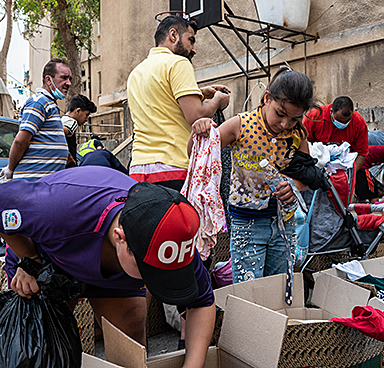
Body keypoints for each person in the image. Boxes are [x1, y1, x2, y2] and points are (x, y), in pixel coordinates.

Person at [0, 167, 215, 367]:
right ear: (120, 237)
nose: (155, 281)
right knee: (39, 348)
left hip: (112, 274)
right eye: (150, 272)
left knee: (131, 335)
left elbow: (202, 301)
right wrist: (29, 258)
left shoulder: (171, 241)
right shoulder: (58, 209)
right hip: (53, 258)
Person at [190, 67, 315, 284]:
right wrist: (198, 132)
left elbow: (307, 177)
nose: (285, 124)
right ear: (267, 98)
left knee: (278, 290)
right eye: (280, 114)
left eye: (294, 119)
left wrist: (292, 185)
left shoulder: (298, 134)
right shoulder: (241, 125)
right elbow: (198, 154)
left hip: (285, 225)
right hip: (247, 225)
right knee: (249, 292)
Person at [127, 15, 231, 191]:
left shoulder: (136, 73)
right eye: (191, 40)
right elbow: (196, 115)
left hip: (137, 171)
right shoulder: (178, 63)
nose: (194, 49)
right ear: (173, 35)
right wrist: (218, 100)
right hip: (174, 168)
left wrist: (199, 93)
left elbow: (163, 103)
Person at [1, 58, 71, 181]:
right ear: (49, 80)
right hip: (34, 182)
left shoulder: (50, 104)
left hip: (43, 181)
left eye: (70, 79)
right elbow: (20, 141)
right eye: (64, 78)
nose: (69, 83)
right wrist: (10, 169)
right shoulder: (38, 102)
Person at [302, 96, 368, 170]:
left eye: (346, 121)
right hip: (316, 163)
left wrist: (351, 175)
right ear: (331, 112)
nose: (343, 124)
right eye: (339, 121)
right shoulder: (314, 116)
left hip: (344, 165)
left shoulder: (359, 122)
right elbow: (303, 145)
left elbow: (361, 154)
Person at [62, 95, 97, 167]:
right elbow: (60, 132)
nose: (86, 119)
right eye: (86, 115)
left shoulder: (62, 119)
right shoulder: (72, 122)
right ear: (78, 111)